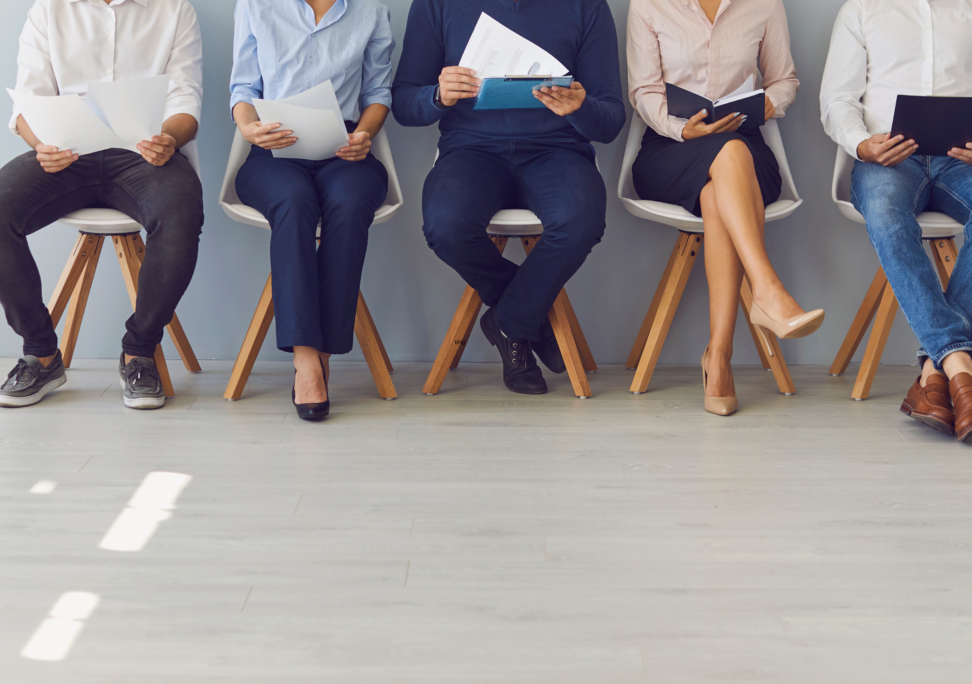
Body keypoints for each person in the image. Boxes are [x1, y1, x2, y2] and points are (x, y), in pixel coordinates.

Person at [0, 0, 204, 410]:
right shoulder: (48, 8)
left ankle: (139, 353)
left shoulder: (173, 8)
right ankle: (41, 354)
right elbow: (26, 101)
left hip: (144, 152)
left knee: (182, 213)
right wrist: (41, 145)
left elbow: (186, 96)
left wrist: (169, 137)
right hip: (66, 152)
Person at [392, 0, 626, 396]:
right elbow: (403, 103)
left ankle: (509, 323)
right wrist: (437, 95)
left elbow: (611, 119)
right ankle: (529, 319)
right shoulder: (437, 4)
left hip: (557, 150)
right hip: (471, 149)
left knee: (580, 220)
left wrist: (580, 107)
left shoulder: (586, 6)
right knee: (446, 224)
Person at [627, 0, 823, 417]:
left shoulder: (764, 4)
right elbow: (643, 90)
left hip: (747, 150)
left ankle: (718, 356)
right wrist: (682, 127)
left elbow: (784, 79)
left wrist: (769, 104)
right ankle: (767, 291)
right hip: (671, 147)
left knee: (719, 189)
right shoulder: (648, 4)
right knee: (723, 166)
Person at [230, 0, 394, 420]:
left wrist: (365, 133)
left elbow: (377, 93)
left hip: (344, 151)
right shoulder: (255, 5)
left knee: (350, 201)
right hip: (272, 154)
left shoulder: (371, 8)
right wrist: (250, 128)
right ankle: (306, 360)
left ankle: (323, 353)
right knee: (294, 201)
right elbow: (244, 90)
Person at [821, 0, 972, 442]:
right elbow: (837, 98)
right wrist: (862, 144)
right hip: (886, 161)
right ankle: (961, 365)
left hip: (959, 161)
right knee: (888, 218)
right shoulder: (862, 10)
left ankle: (937, 368)